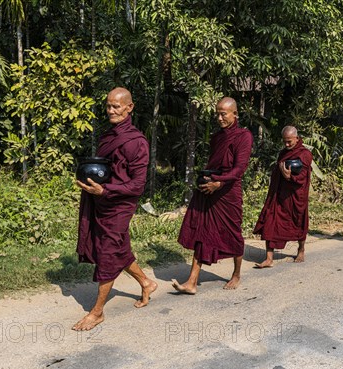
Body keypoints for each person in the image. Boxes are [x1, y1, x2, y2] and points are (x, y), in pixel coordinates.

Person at [73, 87, 158, 331]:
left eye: (116, 106)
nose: (111, 110)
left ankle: (97, 312)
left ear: (129, 108)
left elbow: (137, 185)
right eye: (108, 106)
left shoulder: (137, 142)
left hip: (120, 204)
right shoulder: (108, 136)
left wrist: (106, 191)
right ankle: (145, 282)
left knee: (108, 253)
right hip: (101, 200)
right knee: (119, 248)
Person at [172, 97, 253, 294]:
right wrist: (205, 180)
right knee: (202, 231)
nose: (219, 118)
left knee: (233, 232)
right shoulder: (217, 137)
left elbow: (239, 169)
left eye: (223, 114)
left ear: (235, 114)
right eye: (217, 113)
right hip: (211, 187)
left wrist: (220, 183)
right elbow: (213, 164)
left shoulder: (244, 136)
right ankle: (192, 281)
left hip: (228, 191)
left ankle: (236, 274)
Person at [253, 126, 312, 268]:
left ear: (297, 139)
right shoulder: (283, 153)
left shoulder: (305, 154)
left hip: (296, 196)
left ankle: (301, 249)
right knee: (270, 222)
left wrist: (290, 177)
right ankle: (269, 259)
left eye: (289, 142)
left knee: (298, 222)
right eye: (284, 142)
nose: (286, 145)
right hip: (279, 195)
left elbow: (303, 176)